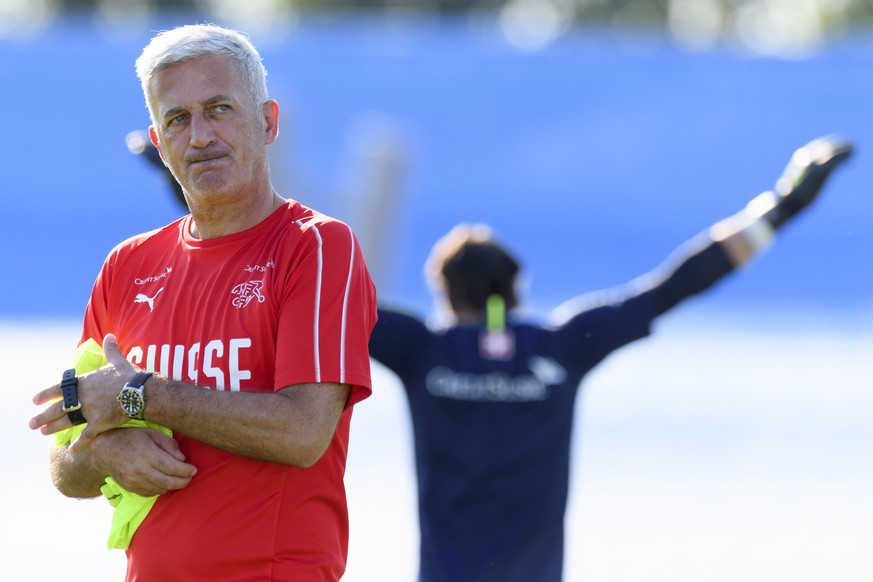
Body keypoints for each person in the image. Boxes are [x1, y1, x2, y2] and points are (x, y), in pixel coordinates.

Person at [368, 135, 853, 582]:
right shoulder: (565, 345)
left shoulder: (418, 349)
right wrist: (782, 207)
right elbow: (677, 283)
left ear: (445, 293)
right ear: (515, 289)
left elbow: (324, 300)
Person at [29, 24, 377, 581]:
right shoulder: (127, 266)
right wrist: (100, 454)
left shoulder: (315, 245)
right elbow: (65, 463)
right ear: (158, 140)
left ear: (267, 122)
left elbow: (303, 432)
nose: (200, 136)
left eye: (219, 109)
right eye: (178, 119)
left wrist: (141, 399)